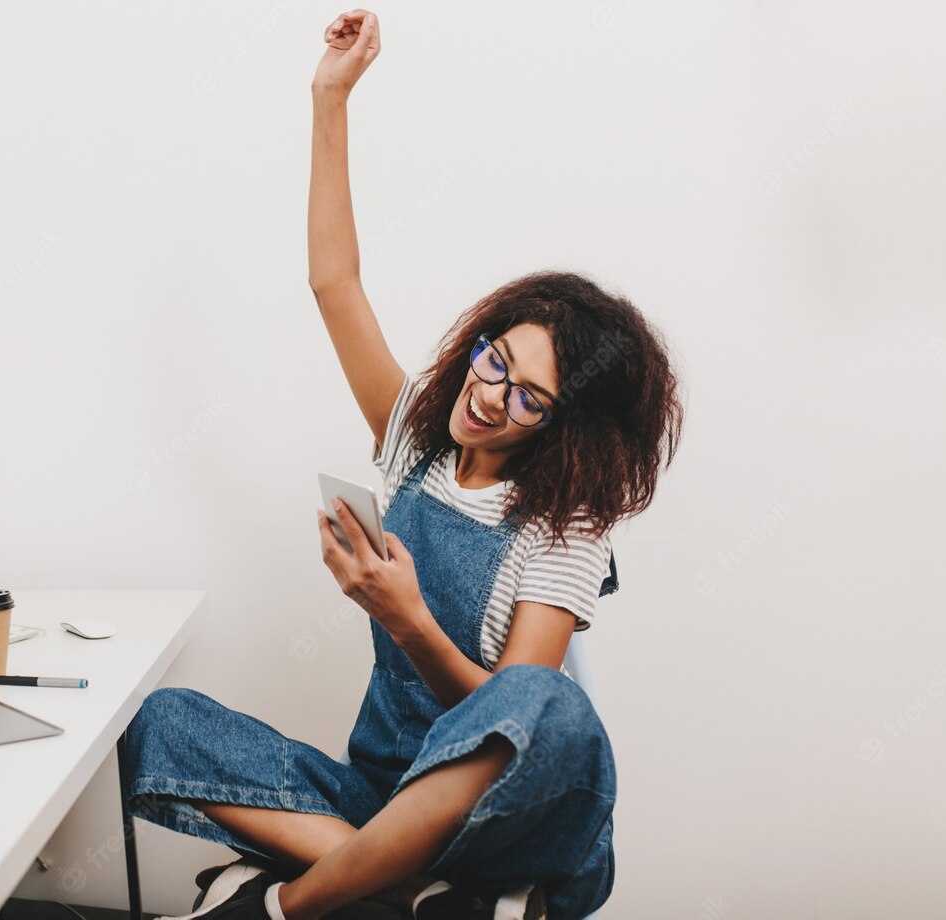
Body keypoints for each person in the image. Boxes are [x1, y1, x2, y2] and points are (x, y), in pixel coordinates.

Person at [121, 9, 684, 919]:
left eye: (528, 396)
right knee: (157, 722)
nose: (492, 392)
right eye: (495, 358)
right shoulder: (418, 437)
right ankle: (392, 879)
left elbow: (515, 725)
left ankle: (295, 905)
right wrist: (329, 96)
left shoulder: (566, 528)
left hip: (502, 818)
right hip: (381, 796)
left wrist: (409, 618)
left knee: (547, 703)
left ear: (561, 432)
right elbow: (333, 282)